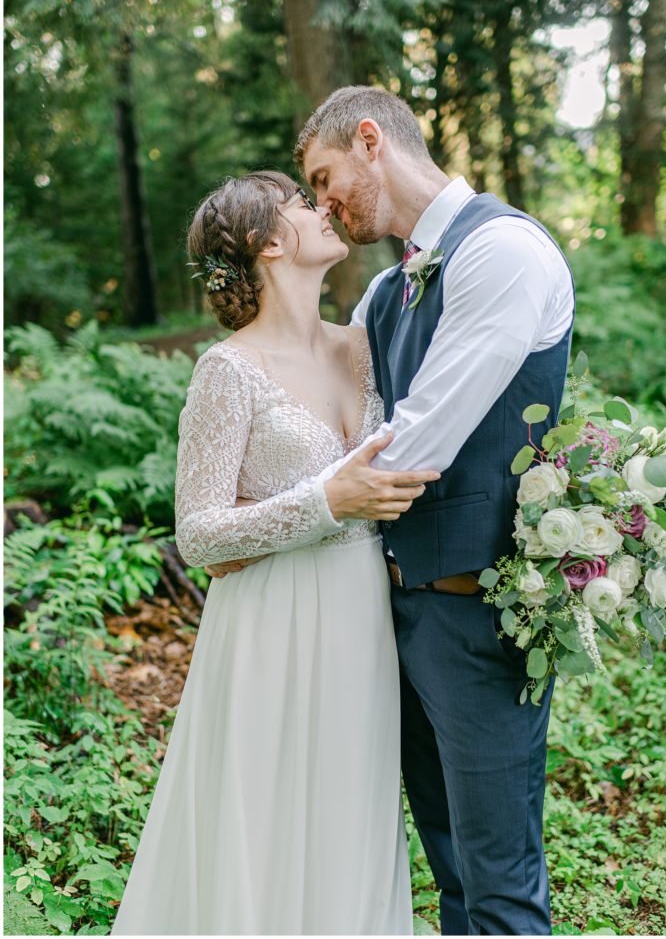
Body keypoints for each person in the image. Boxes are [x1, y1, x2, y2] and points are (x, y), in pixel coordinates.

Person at [208, 87, 575, 936]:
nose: (324, 203)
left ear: (371, 141)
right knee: (449, 870)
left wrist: (280, 512)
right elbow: (331, 422)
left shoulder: (502, 252)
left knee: (499, 883)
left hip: (479, 617)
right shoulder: (383, 294)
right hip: (386, 618)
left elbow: (414, 445)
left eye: (324, 177)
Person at [110, 170, 440, 935]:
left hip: (362, 620)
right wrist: (326, 503)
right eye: (301, 203)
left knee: (348, 815)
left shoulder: (363, 346)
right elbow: (197, 532)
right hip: (269, 626)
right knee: (262, 822)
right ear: (265, 243)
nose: (322, 209)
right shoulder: (228, 370)